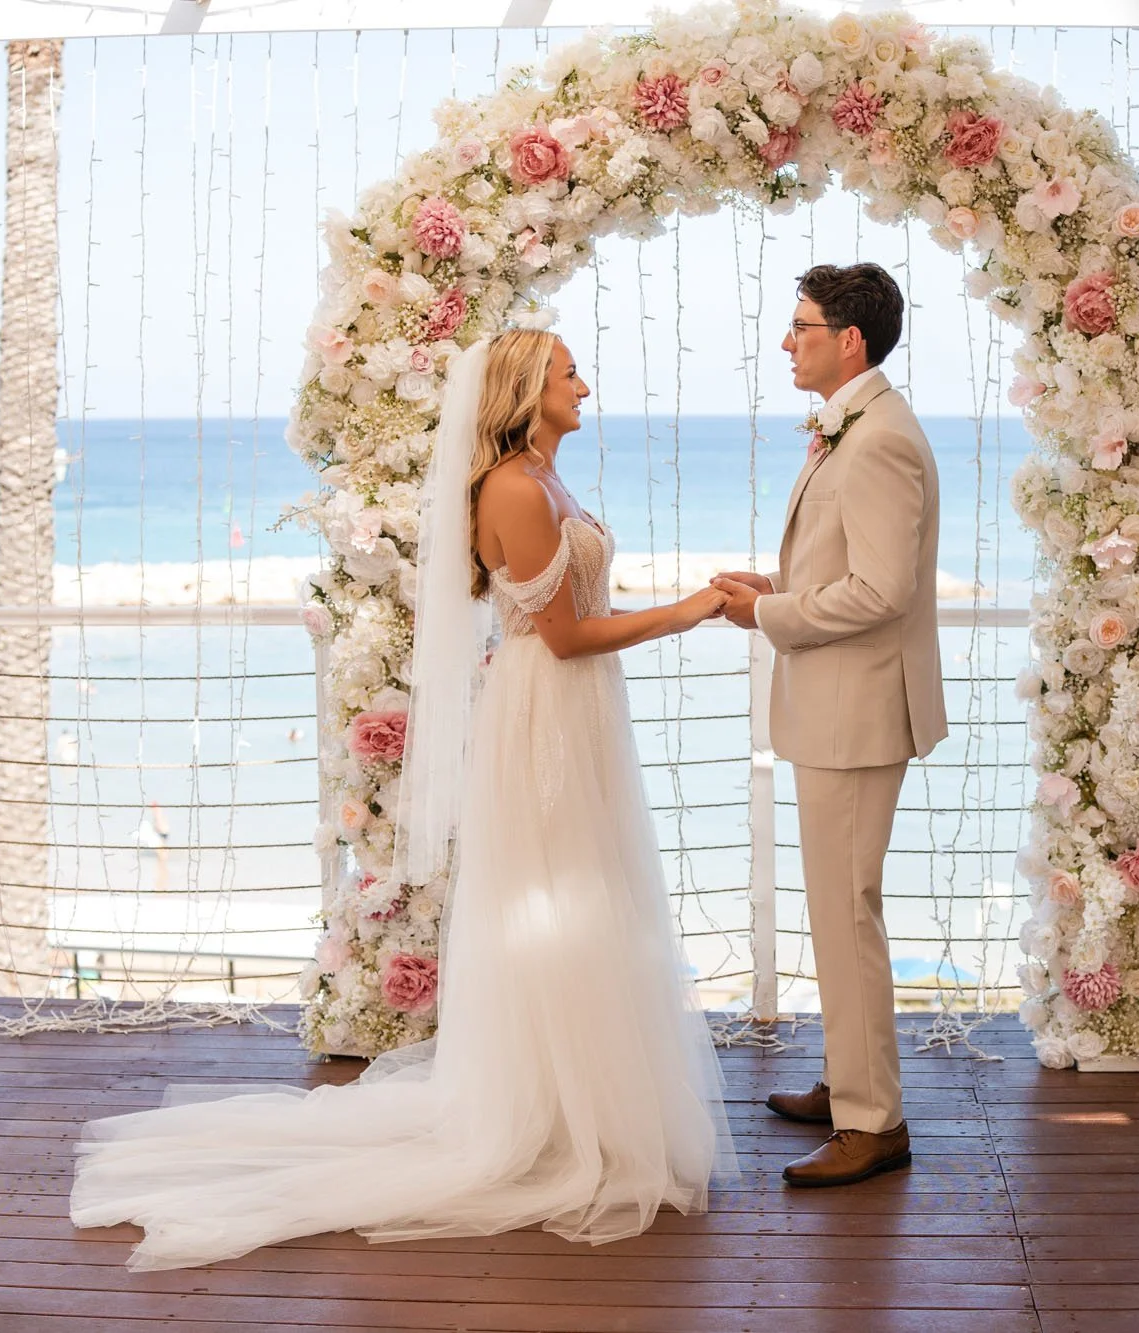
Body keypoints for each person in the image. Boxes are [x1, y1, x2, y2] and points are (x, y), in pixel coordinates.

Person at [69, 328, 735, 1270]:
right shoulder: (513, 487)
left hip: (572, 709)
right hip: (547, 710)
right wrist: (691, 608)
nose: (585, 383)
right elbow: (566, 633)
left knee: (587, 895)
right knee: (558, 898)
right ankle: (553, 1116)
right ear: (524, 390)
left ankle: (579, 1102)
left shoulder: (547, 477)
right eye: (568, 373)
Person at [712, 263, 947, 1188]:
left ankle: (872, 1122)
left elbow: (883, 593)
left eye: (799, 325)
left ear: (849, 339)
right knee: (836, 908)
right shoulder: (856, 425)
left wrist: (766, 618)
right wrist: (775, 589)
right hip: (836, 702)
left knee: (847, 912)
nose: (785, 341)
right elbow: (850, 572)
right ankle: (851, 1082)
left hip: (857, 711)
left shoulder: (880, 436)